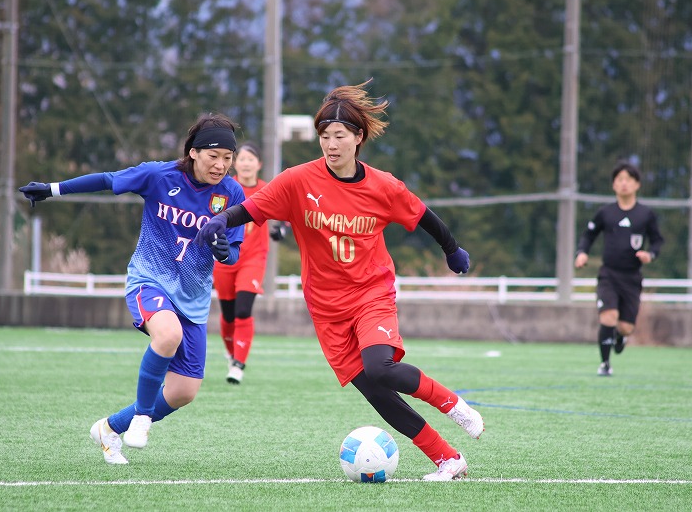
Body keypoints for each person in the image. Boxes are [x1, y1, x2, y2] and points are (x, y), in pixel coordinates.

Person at [195, 80, 484, 482]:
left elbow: (423, 216)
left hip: (371, 293)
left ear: (358, 137)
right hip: (326, 308)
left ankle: (452, 404)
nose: (330, 145)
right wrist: (220, 220)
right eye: (325, 136)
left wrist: (451, 249)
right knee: (375, 390)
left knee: (380, 367)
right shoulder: (298, 181)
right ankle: (447, 459)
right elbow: (252, 208)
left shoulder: (383, 186)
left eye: (339, 136)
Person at [19, 112, 246, 464]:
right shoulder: (160, 176)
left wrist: (222, 250)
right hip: (149, 279)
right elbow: (108, 180)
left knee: (184, 392)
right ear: (193, 152)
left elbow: (233, 254)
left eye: (227, 158)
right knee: (167, 335)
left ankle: (109, 428)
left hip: (193, 298)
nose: (221, 165)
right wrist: (53, 189)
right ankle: (142, 416)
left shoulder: (231, 192)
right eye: (213, 156)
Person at [575, 160, 664, 377]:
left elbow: (657, 241)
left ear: (637, 184)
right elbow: (588, 235)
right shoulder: (605, 213)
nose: (624, 183)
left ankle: (620, 336)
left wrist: (650, 255)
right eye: (619, 179)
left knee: (625, 327)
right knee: (608, 317)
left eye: (629, 179)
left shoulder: (645, 214)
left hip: (632, 277)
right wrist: (582, 252)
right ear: (614, 185)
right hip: (608, 274)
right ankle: (605, 364)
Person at [213, 142, 286, 384]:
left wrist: (281, 229)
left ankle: (238, 365)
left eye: (250, 159)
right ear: (235, 163)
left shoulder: (267, 189)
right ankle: (231, 353)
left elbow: (286, 212)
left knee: (243, 310)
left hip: (254, 258)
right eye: (242, 159)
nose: (245, 163)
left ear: (259, 164)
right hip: (225, 257)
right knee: (228, 315)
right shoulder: (225, 187)